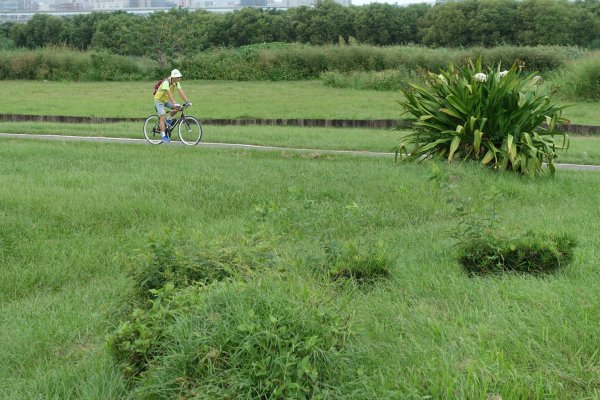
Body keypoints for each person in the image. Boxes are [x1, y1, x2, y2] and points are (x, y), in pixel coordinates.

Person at [153, 69, 191, 142]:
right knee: (162, 115)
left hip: (166, 100)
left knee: (178, 107)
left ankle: (168, 120)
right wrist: (173, 103)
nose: (179, 79)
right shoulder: (166, 82)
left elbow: (181, 91)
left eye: (179, 77)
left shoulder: (176, 82)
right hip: (159, 101)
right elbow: (169, 93)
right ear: (173, 77)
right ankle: (163, 136)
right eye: (177, 77)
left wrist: (187, 101)